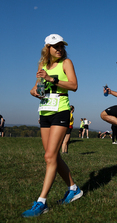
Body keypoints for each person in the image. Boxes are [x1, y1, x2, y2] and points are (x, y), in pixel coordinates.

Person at [22, 34, 82, 218]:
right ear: (47, 48)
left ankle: (41, 202)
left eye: (61, 46)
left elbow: (74, 85)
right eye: (55, 46)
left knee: (49, 156)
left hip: (61, 111)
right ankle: (74, 189)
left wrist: (52, 79)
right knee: (53, 156)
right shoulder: (42, 66)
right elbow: (36, 87)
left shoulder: (66, 63)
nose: (59, 49)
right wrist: (34, 91)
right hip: (45, 112)